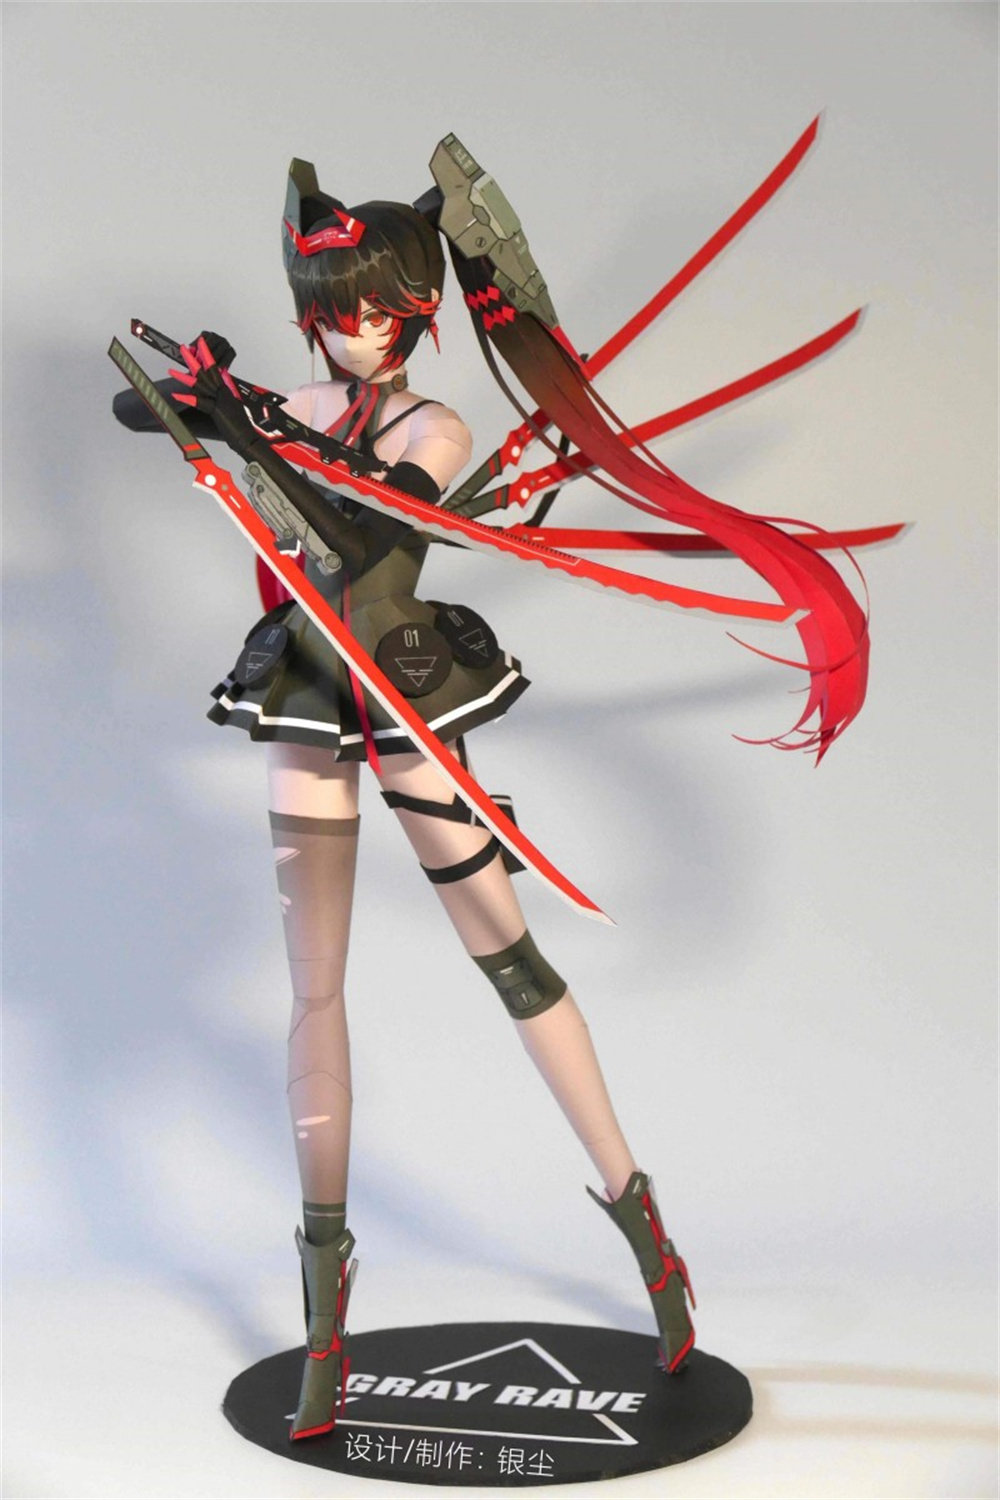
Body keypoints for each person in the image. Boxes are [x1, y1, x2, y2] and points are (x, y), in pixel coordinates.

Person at [114, 141, 867, 1440]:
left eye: (375, 309)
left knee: (511, 961)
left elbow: (367, 529)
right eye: (333, 309)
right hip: (306, 686)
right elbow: (151, 417)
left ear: (416, 311)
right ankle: (325, 1311)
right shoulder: (300, 397)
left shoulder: (431, 426)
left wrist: (253, 430)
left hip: (405, 682)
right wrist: (204, 401)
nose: (354, 331)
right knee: (314, 987)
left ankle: (645, 1231)